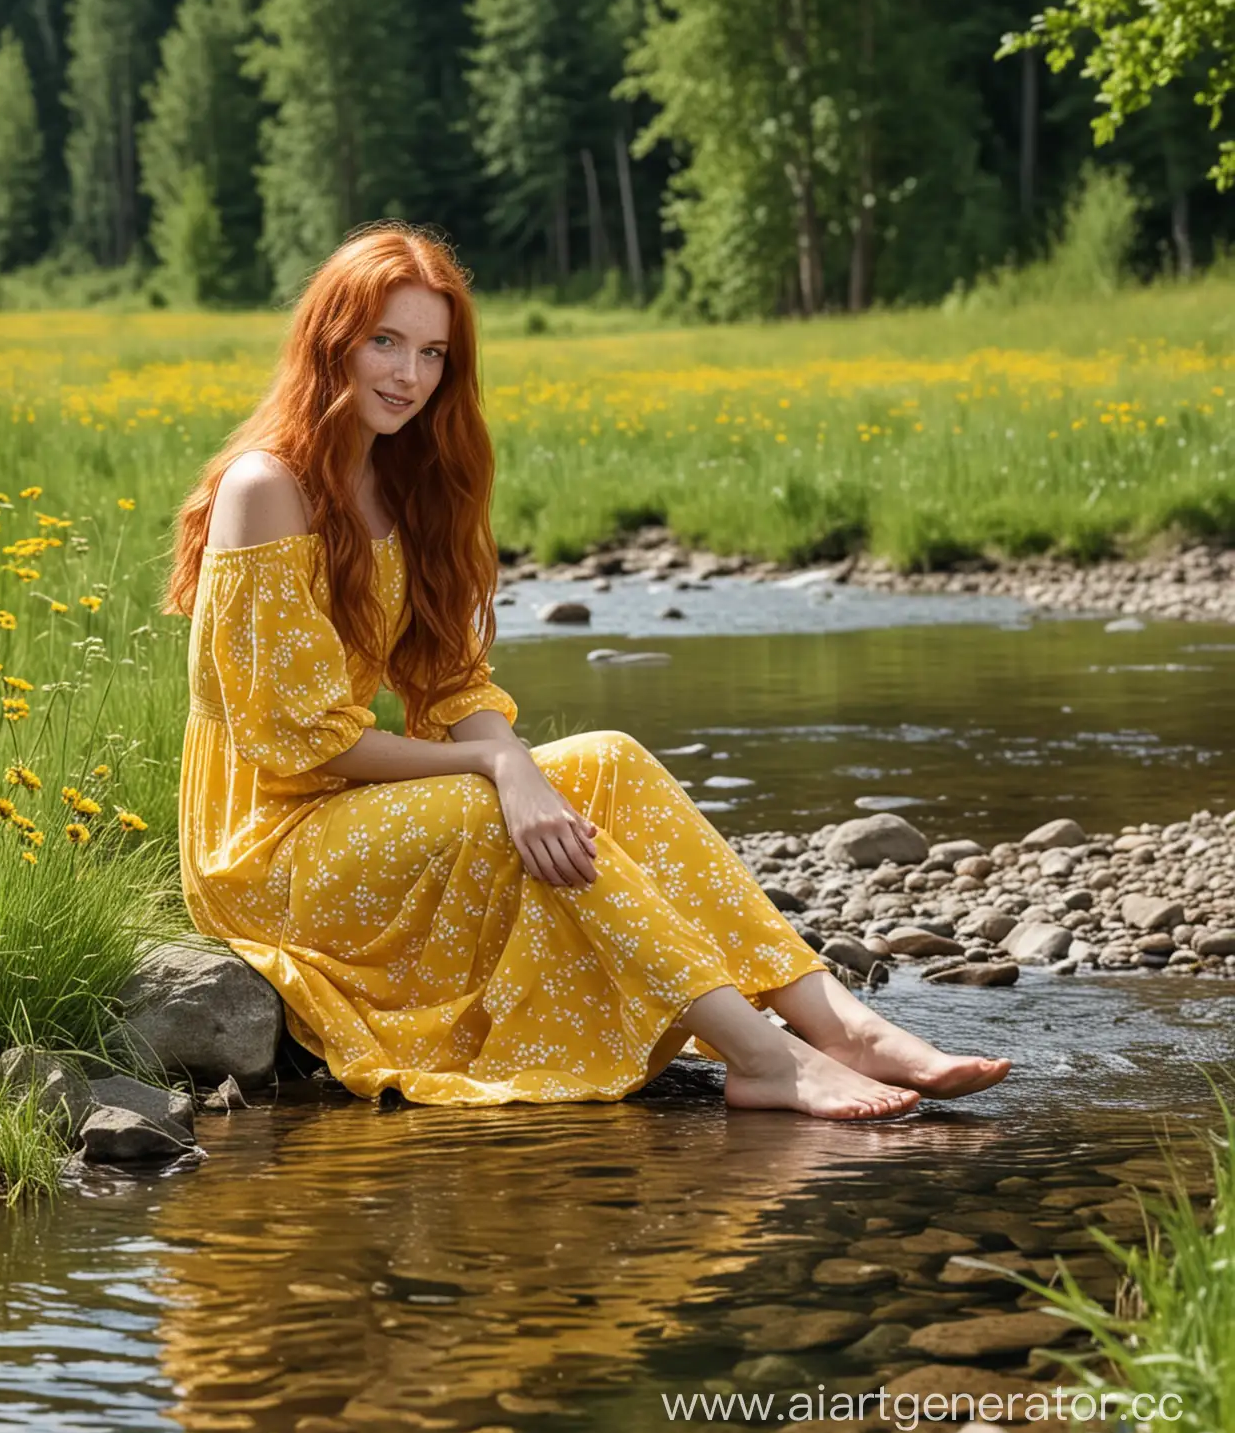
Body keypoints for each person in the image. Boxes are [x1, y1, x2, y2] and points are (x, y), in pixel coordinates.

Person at [163, 223, 1011, 1119]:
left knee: (606, 759)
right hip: (265, 849)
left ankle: (840, 1025)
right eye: (384, 341)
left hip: (351, 818)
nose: (408, 375)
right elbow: (298, 745)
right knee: (513, 790)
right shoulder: (268, 488)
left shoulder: (407, 486)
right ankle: (766, 1057)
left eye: (432, 353)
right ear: (328, 340)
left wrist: (522, 770)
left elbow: (453, 684)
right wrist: (501, 765)